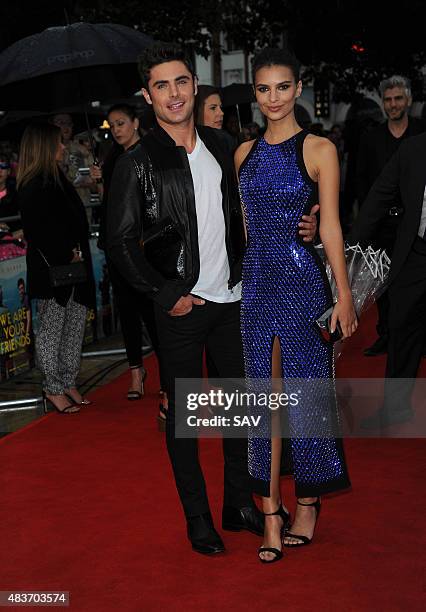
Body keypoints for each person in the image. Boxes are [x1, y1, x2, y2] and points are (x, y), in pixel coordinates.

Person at [105, 44, 318, 555]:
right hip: (182, 308)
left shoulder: (226, 145)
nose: (174, 93)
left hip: (236, 302)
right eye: (162, 85)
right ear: (147, 94)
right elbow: (118, 242)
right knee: (186, 419)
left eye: (182, 82)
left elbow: (260, 208)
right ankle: (198, 517)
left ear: (194, 87)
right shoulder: (137, 163)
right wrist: (166, 293)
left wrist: (303, 226)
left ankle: (238, 503)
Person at [235, 47, 357, 563]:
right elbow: (246, 228)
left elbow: (329, 224)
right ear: (256, 94)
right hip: (257, 284)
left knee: (305, 396)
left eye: (282, 87)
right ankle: (270, 512)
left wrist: (344, 293)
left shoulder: (320, 148)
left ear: (299, 88)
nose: (273, 98)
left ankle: (307, 502)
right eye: (263, 89)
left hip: (303, 281)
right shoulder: (243, 154)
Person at [90, 104, 164, 419]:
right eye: (112, 125)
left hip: (145, 245)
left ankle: (167, 379)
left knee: (152, 311)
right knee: (127, 312)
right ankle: (136, 373)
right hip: (116, 244)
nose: (117, 129)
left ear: (135, 122)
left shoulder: (149, 154)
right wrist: (98, 183)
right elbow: (111, 204)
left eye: (121, 123)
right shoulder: (111, 158)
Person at [17, 123, 96, 413]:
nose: (63, 147)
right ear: (43, 146)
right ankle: (52, 388)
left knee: (74, 327)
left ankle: (67, 381)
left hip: (74, 270)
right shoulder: (33, 184)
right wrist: (68, 252)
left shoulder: (57, 178)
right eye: (58, 143)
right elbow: (40, 231)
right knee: (52, 330)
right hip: (54, 272)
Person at [350, 132, 426, 429]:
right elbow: (380, 194)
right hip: (416, 251)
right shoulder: (414, 148)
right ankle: (395, 410)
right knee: (401, 327)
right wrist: (351, 249)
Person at [356, 75, 426, 357]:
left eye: (398, 98)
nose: (393, 104)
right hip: (383, 227)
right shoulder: (371, 138)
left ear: (408, 101)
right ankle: (386, 335)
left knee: (411, 289)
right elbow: (362, 183)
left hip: (414, 227)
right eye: (388, 100)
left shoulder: (420, 135)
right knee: (382, 286)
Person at [193, 85, 236, 154]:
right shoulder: (184, 146)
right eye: (213, 108)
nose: (221, 113)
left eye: (221, 107)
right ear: (197, 111)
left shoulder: (227, 142)